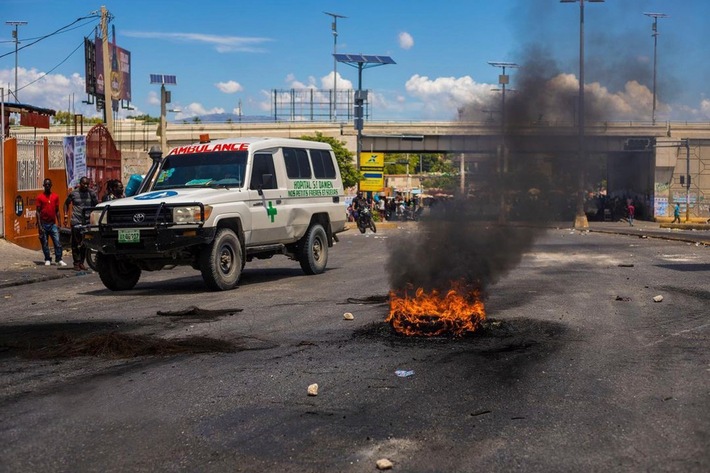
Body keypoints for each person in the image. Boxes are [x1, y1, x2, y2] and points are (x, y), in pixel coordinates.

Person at [64, 176, 99, 271]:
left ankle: (82, 262)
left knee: (85, 243)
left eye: (87, 184)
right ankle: (76, 263)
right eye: (84, 184)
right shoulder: (74, 193)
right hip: (76, 221)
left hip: (87, 222)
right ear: (80, 184)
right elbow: (66, 203)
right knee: (75, 243)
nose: (86, 186)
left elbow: (96, 205)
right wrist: (66, 216)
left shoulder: (91, 193)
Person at [36, 178, 67, 267]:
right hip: (43, 223)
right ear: (43, 186)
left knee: (57, 242)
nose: (47, 186)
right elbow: (37, 212)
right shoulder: (40, 197)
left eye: (49, 185)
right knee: (44, 243)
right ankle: (47, 259)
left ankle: (59, 259)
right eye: (46, 185)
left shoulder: (55, 197)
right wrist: (39, 226)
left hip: (52, 223)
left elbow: (57, 210)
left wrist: (59, 223)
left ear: (51, 186)